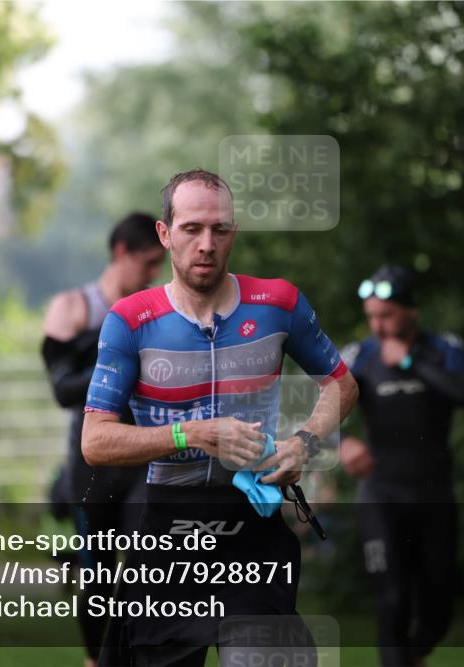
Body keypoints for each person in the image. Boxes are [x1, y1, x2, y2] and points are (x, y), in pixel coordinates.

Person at [81, 169, 359, 666]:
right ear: (165, 235)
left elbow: (341, 382)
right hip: (168, 536)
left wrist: (304, 444)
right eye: (191, 229)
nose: (206, 244)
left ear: (234, 233)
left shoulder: (278, 304)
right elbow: (96, 441)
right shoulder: (130, 320)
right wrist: (191, 433)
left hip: (251, 530)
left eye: (220, 230)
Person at [41, 212, 166, 667]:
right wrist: (115, 363)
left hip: (143, 454)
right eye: (149, 263)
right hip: (92, 459)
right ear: (121, 253)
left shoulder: (157, 312)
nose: (154, 274)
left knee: (145, 565)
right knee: (95, 573)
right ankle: (96, 661)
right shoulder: (74, 307)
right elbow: (61, 389)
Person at [340, 264, 464, 667]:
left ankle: (413, 656)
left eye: (387, 315)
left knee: (438, 605)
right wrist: (341, 440)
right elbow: (323, 410)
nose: (378, 326)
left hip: (434, 494)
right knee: (393, 596)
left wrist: (409, 362)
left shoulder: (443, 349)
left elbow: (463, 392)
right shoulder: (360, 356)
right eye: (372, 318)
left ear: (411, 311)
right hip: (382, 496)